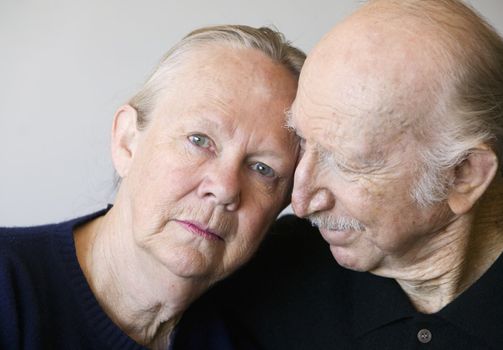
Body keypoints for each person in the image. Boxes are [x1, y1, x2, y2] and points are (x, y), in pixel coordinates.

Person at [175, 1, 503, 349]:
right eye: (302, 141)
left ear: (464, 174)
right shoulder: (266, 274)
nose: (299, 202)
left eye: (346, 163)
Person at [0, 25, 305, 349]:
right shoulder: (8, 287)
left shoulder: (255, 332)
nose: (225, 188)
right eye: (199, 140)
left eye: (263, 169)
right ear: (127, 141)